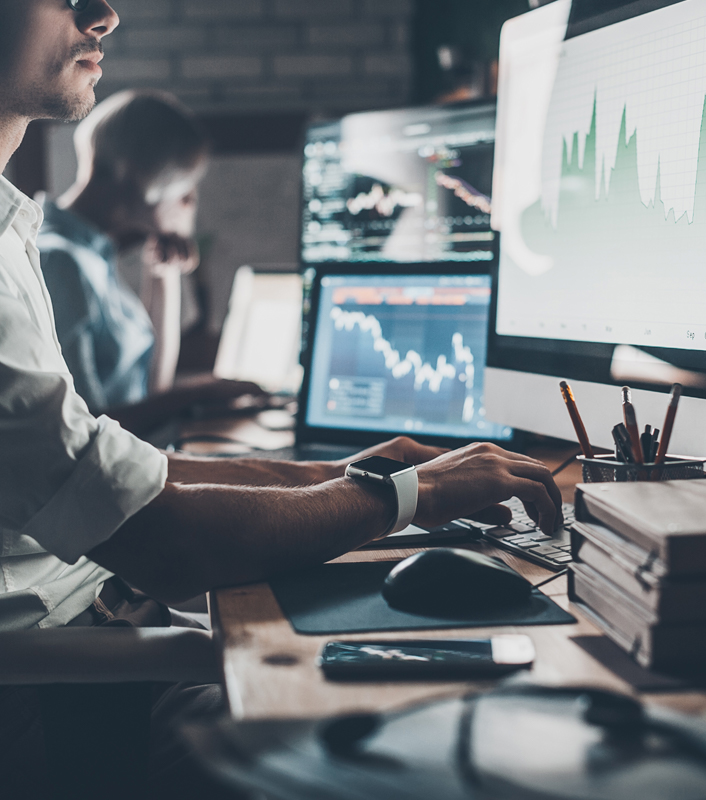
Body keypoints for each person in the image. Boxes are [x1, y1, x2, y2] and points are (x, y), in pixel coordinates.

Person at [0, 0, 561, 796]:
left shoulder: (11, 233)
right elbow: (163, 542)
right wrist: (403, 496)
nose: (104, 13)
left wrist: (354, 476)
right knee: (444, 749)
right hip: (66, 700)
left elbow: (129, 467)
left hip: (102, 627)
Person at [37, 87, 269, 436]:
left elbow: (152, 386)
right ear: (143, 179)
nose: (189, 201)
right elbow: (87, 428)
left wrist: (162, 275)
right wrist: (201, 392)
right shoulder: (61, 262)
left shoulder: (93, 254)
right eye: (184, 186)